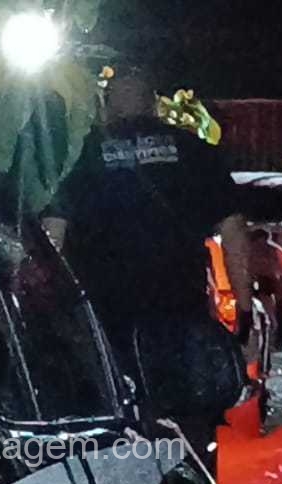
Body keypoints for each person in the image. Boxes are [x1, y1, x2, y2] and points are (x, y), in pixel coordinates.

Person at [44, 65, 254, 463]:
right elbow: (234, 233)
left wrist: (49, 312)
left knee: (117, 427)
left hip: (105, 323)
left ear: (106, 107)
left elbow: (52, 233)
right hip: (181, 314)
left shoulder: (81, 155)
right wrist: (243, 308)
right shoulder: (193, 151)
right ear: (154, 104)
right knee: (190, 421)